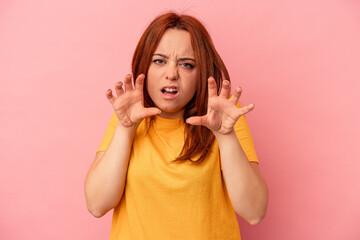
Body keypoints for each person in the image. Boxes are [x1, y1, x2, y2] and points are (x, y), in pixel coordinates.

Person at [84, 12, 268, 239]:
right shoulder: (127, 118)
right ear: (144, 66)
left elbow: (254, 212)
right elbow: (96, 205)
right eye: (159, 61)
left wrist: (225, 135)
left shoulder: (223, 116)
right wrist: (125, 128)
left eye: (187, 65)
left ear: (201, 73)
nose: (171, 74)